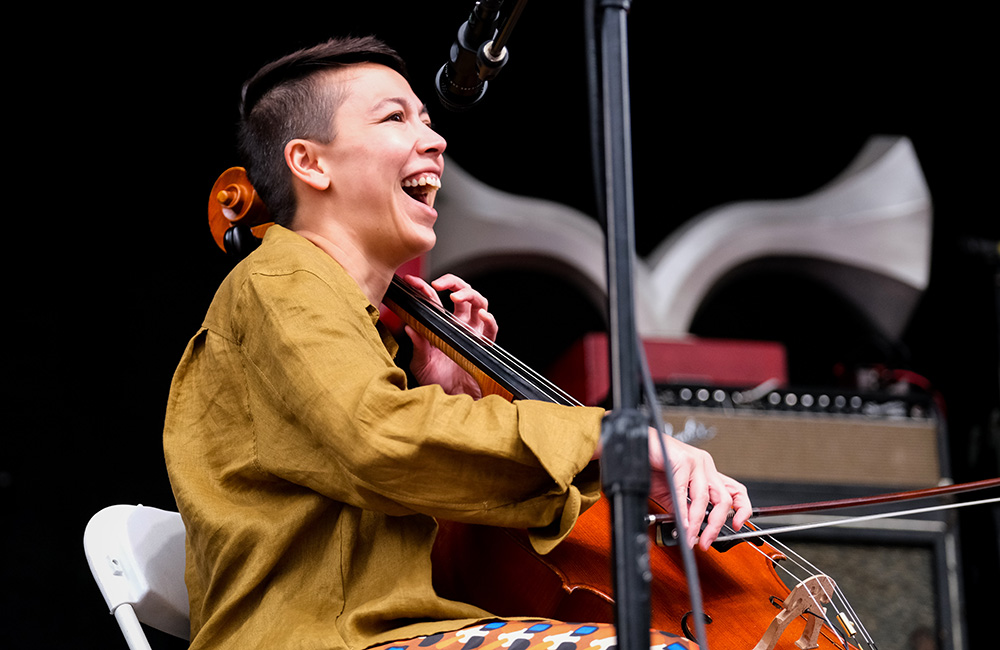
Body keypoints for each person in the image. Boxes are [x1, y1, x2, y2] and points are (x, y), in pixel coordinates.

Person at [163, 35, 751, 650]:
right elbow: (378, 440)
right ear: (310, 164)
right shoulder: (283, 279)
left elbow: (411, 487)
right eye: (394, 117)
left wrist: (445, 389)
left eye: (426, 118)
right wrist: (610, 439)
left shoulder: (358, 323)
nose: (435, 140)